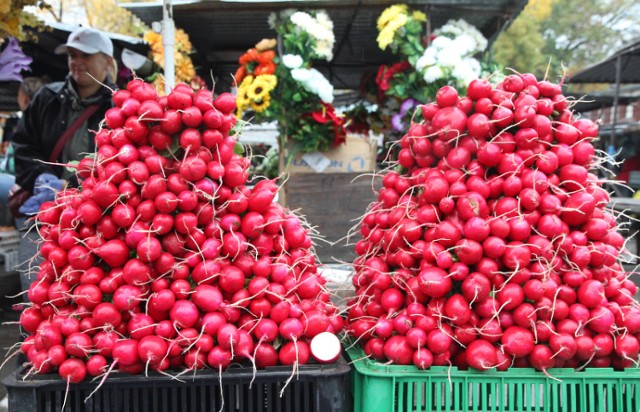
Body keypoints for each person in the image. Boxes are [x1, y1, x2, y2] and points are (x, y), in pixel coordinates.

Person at [10, 27, 117, 296]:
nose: (76, 61)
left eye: (85, 55)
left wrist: (75, 185)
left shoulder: (120, 106)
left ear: (107, 61)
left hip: (99, 218)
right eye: (71, 55)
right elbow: (23, 145)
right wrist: (40, 179)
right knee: (40, 293)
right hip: (46, 210)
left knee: (87, 294)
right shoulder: (48, 98)